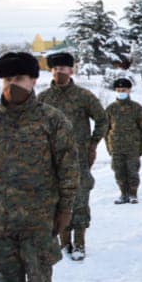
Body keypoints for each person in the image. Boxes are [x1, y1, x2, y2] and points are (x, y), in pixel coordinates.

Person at [0, 52, 78, 282]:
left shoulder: (51, 119)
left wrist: (65, 208)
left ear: (33, 80)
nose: (13, 85)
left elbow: (68, 167)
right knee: (8, 281)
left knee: (39, 278)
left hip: (39, 217)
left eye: (19, 79)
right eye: (8, 80)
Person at [38, 52, 105, 260]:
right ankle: (63, 241)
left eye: (63, 68)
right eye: (56, 69)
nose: (60, 72)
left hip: (78, 158)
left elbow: (102, 119)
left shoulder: (83, 96)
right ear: (51, 71)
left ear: (71, 70)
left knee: (80, 198)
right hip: (51, 161)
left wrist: (92, 144)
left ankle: (79, 243)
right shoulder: (43, 98)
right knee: (57, 199)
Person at [104, 77, 142, 203]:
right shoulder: (111, 109)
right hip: (116, 147)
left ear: (129, 90)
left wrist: (141, 146)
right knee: (119, 172)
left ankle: (133, 194)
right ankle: (123, 194)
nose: (121, 92)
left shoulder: (137, 108)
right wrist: (109, 147)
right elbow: (105, 129)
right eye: (118, 90)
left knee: (132, 172)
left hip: (132, 147)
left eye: (123, 90)